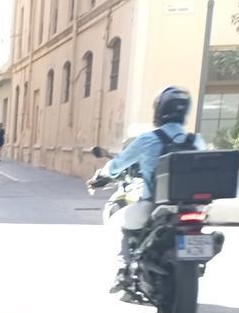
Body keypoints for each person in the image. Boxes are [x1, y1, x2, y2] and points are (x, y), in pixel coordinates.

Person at [87, 86, 204, 292]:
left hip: (153, 205)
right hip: (192, 206)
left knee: (119, 222)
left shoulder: (149, 139)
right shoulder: (196, 141)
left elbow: (118, 165)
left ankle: (123, 268)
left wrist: (101, 176)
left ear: (159, 111)